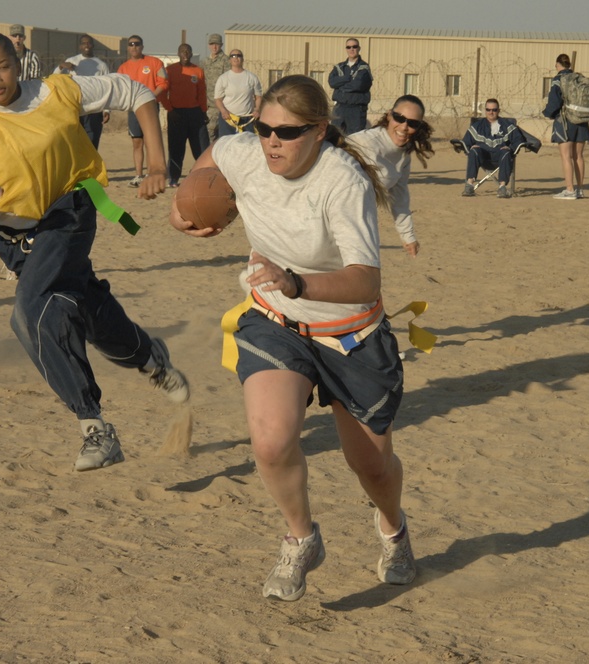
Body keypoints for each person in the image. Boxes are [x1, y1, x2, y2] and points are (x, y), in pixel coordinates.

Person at [170, 75, 416, 602]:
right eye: (263, 128)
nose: (271, 142)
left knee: (370, 466)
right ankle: (301, 538)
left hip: (350, 333)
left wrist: (296, 280)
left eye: (287, 132)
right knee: (271, 440)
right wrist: (189, 202)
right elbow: (216, 152)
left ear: (320, 130)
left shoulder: (341, 180)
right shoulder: (248, 152)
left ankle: (393, 529)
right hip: (275, 320)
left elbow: (365, 280)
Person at [0, 28, 189, 472]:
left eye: (2, 67)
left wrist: (156, 164)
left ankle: (94, 426)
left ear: (17, 66)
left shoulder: (58, 90)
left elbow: (137, 92)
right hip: (13, 240)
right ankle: (149, 357)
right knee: (82, 307)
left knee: (30, 310)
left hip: (69, 211)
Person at [346, 94, 434, 258]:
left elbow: (399, 197)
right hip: (338, 220)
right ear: (389, 115)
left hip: (359, 223)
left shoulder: (403, 155)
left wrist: (408, 236)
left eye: (413, 123)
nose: (404, 126)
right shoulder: (364, 143)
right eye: (399, 118)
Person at [117, 35, 167, 187]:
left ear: (142, 46)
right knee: (137, 142)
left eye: (137, 44)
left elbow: (163, 83)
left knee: (150, 141)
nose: (134, 47)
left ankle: (152, 173)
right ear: (127, 48)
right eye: (131, 44)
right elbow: (119, 88)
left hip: (150, 108)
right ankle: (138, 175)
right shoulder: (123, 68)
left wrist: (150, 97)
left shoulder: (154, 63)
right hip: (133, 109)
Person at [459, 98, 525, 199]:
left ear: (498, 111)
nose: (491, 112)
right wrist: (470, 148)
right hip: (483, 158)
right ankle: (469, 186)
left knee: (506, 152)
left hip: (501, 158)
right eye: (488, 110)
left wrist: (510, 148)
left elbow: (518, 140)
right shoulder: (477, 126)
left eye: (494, 110)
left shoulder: (507, 125)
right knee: (474, 151)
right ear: (485, 111)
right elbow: (465, 142)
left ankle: (502, 188)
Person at [163, 43, 209, 187]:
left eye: (188, 51)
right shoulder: (170, 70)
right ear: (178, 53)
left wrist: (203, 111)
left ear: (191, 53)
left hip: (195, 113)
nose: (185, 53)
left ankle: (204, 175)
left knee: (200, 147)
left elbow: (202, 93)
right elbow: (163, 92)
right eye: (182, 51)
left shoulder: (198, 71)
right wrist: (170, 109)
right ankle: (174, 178)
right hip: (176, 113)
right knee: (176, 148)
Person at [543, 53, 589, 199]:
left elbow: (555, 101)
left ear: (558, 64)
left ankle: (569, 190)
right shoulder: (579, 78)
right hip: (582, 120)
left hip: (565, 120)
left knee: (566, 156)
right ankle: (580, 189)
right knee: (578, 156)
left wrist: (548, 113)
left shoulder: (558, 79)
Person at [54, 34, 110, 149]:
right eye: (84, 43)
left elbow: (107, 88)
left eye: (89, 43)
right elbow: (54, 78)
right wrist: (61, 66)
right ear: (80, 46)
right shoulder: (72, 61)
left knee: (92, 141)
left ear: (93, 45)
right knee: (74, 141)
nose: (86, 45)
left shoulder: (102, 65)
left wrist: (107, 110)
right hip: (75, 107)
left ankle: (92, 166)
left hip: (94, 108)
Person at [328, 38, 373, 135]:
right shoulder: (339, 67)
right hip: (339, 108)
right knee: (334, 138)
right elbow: (332, 82)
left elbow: (358, 85)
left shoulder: (364, 67)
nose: (351, 49)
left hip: (356, 110)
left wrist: (340, 86)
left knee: (354, 141)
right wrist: (348, 78)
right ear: (346, 49)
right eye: (349, 47)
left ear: (359, 48)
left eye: (354, 46)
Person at [214, 49, 262, 137]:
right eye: (233, 56)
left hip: (247, 120)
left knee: (247, 146)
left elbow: (258, 97)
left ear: (242, 59)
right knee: (227, 146)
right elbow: (218, 99)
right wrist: (223, 111)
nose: (236, 58)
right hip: (228, 119)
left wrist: (257, 109)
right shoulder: (223, 78)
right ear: (230, 60)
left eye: (238, 55)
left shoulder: (252, 77)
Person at [202, 33, 229, 141]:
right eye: (212, 44)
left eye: (217, 44)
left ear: (221, 45)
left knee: (222, 136)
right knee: (209, 135)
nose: (214, 47)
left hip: (222, 105)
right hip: (208, 105)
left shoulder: (226, 61)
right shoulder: (205, 62)